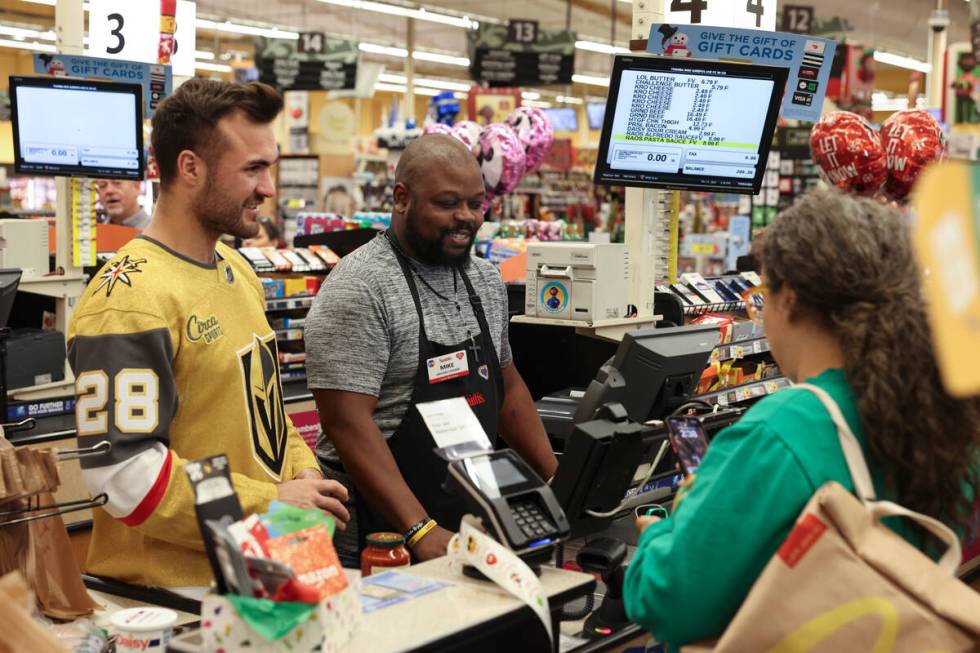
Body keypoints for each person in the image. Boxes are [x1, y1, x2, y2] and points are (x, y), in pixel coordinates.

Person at [624, 189, 980, 647]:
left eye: (762, 290)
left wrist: (657, 534)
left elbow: (669, 603)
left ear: (788, 298)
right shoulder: (943, 408)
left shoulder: (780, 430)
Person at [67, 78, 349, 589]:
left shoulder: (236, 270)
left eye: (270, 167)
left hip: (260, 575)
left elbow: (263, 415)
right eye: (253, 169)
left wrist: (303, 473)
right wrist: (271, 502)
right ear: (191, 167)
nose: (268, 189)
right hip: (173, 601)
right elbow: (125, 477)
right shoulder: (128, 298)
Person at [305, 134, 558, 565]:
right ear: (402, 198)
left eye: (476, 205)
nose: (466, 218)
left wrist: (558, 481)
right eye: (446, 203)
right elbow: (346, 423)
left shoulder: (484, 280)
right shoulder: (361, 286)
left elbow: (508, 389)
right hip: (376, 535)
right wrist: (418, 528)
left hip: (462, 513)